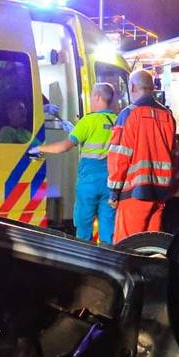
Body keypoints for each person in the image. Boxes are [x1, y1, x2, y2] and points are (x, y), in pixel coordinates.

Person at [38, 83, 118, 242]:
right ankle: (107, 262)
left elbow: (63, 147)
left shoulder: (88, 121)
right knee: (108, 229)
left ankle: (84, 263)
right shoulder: (118, 121)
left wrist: (39, 148)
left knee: (83, 228)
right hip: (111, 184)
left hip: (88, 183)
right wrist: (75, 129)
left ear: (97, 97)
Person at [106, 69, 177, 242]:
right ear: (152, 88)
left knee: (127, 247)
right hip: (160, 194)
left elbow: (119, 156)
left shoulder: (128, 114)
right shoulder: (167, 115)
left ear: (132, 87)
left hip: (134, 194)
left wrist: (114, 192)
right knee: (152, 246)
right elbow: (173, 154)